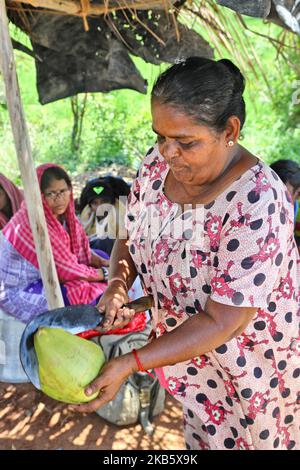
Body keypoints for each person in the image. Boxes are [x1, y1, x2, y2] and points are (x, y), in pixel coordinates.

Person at [72, 58, 300, 450]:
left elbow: (219, 320)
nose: (168, 152)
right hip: (192, 367)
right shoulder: (156, 166)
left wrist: (130, 361)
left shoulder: (258, 202)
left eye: (185, 142)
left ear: (229, 130)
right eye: (160, 136)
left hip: (252, 376)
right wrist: (117, 284)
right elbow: (130, 229)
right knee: (202, 439)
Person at [0, 163, 109, 323]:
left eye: (63, 191)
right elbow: (64, 271)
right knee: (87, 294)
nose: (59, 199)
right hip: (20, 287)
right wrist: (105, 273)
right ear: (39, 195)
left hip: (52, 271)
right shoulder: (33, 223)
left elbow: (80, 251)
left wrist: (101, 263)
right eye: (51, 194)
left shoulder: (63, 216)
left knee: (101, 255)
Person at [79, 176, 130, 256]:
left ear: (111, 203)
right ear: (90, 207)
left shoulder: (121, 217)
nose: (100, 206)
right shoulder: (86, 218)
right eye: (95, 203)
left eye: (104, 202)